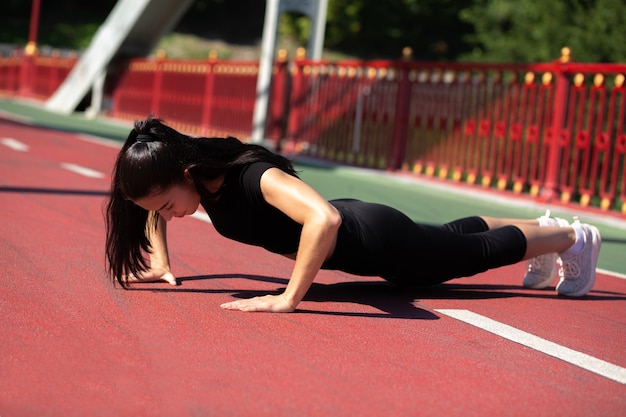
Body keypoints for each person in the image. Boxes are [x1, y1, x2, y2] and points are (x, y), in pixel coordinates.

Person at [105, 116, 602, 313]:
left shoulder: (254, 178)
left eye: (168, 206)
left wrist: (286, 299)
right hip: (371, 231)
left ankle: (573, 239)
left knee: (469, 254)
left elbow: (323, 220)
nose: (168, 217)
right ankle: (546, 229)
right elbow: (153, 207)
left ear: (186, 172)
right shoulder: (194, 179)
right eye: (159, 211)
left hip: (375, 241)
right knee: (451, 236)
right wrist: (162, 262)